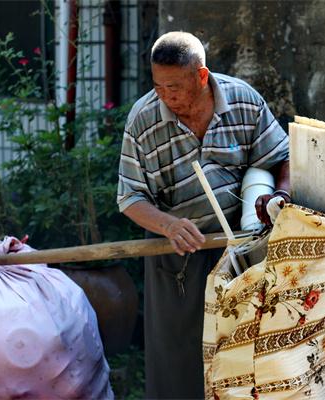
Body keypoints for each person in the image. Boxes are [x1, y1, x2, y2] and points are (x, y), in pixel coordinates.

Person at [117, 31, 290, 399]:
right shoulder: (144, 119)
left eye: (175, 86)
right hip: (177, 249)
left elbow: (280, 157)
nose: (167, 96)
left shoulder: (243, 101)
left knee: (244, 350)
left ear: (201, 75)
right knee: (178, 357)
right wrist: (168, 224)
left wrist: (279, 196)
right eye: (158, 86)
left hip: (242, 245)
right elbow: (130, 197)